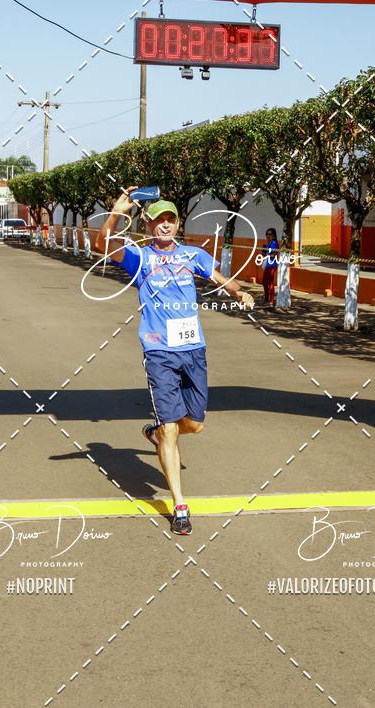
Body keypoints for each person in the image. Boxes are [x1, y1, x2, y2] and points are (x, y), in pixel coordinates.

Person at [95, 188, 254, 535]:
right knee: (171, 427)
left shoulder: (192, 254)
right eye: (158, 220)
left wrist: (238, 292)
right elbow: (103, 246)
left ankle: (153, 432)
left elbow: (219, 277)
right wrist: (116, 213)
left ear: (178, 224)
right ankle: (179, 506)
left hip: (193, 349)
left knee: (195, 424)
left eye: (171, 219)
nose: (165, 225)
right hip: (158, 351)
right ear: (148, 225)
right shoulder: (140, 258)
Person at [261, 228, 279, 307]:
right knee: (264, 282)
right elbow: (267, 254)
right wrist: (264, 252)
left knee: (270, 283)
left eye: (270, 234)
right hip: (268, 264)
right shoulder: (269, 243)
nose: (268, 236)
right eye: (267, 234)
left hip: (272, 265)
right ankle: (266, 299)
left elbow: (274, 255)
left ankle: (271, 301)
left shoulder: (274, 243)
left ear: (274, 235)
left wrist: (267, 254)